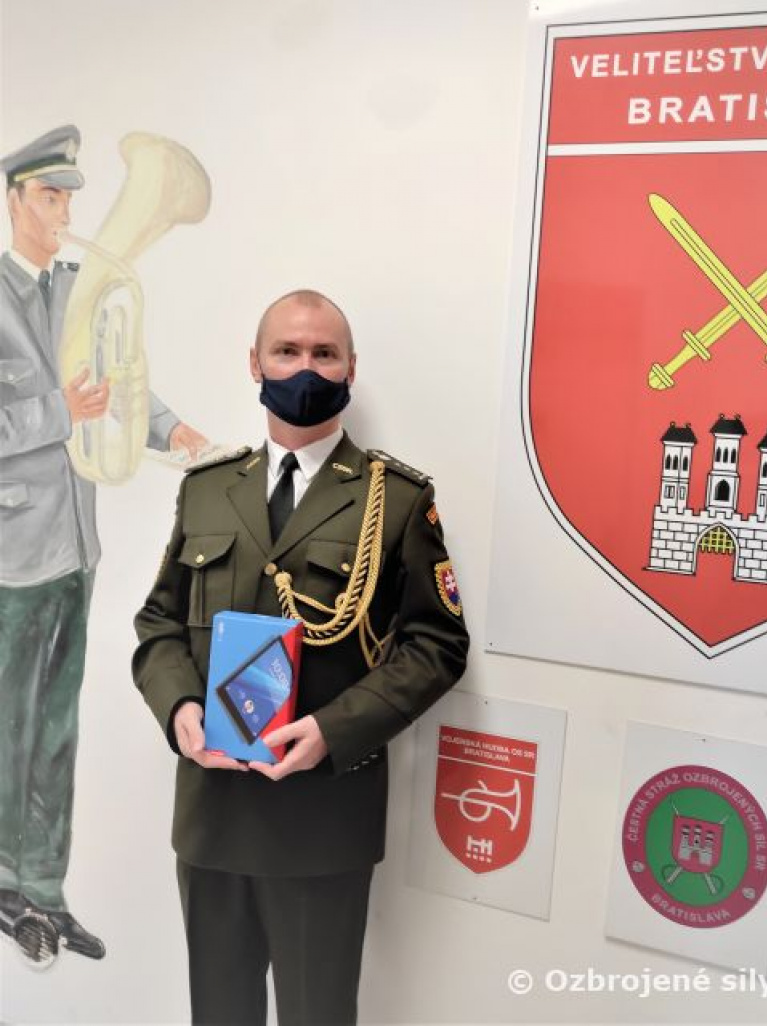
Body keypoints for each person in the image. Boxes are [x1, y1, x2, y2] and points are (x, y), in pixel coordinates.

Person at [132, 288, 469, 1025]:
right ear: (255, 363)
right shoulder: (208, 489)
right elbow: (158, 622)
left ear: (351, 368)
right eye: (287, 351)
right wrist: (180, 708)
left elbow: (437, 646)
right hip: (213, 814)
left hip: (322, 821)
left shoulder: (396, 499)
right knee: (219, 1013)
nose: (305, 367)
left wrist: (333, 730)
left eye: (324, 353)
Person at [0, 125, 207, 961]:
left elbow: (123, 381)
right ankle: (5, 884)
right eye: (50, 197)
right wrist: (62, 412)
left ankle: (44, 892)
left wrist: (172, 428)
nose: (65, 212)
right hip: (12, 553)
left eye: (69, 198)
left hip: (74, 548)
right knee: (9, 726)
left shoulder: (79, 288)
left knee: (56, 730)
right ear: (14, 199)